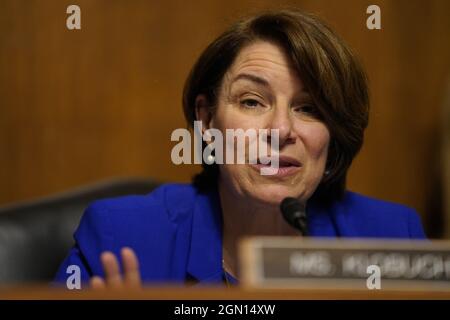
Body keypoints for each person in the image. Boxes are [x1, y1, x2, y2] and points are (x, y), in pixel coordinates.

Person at [54, 9, 426, 289]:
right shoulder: (123, 238)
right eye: (251, 101)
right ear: (208, 119)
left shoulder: (391, 238)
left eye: (309, 109)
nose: (281, 130)